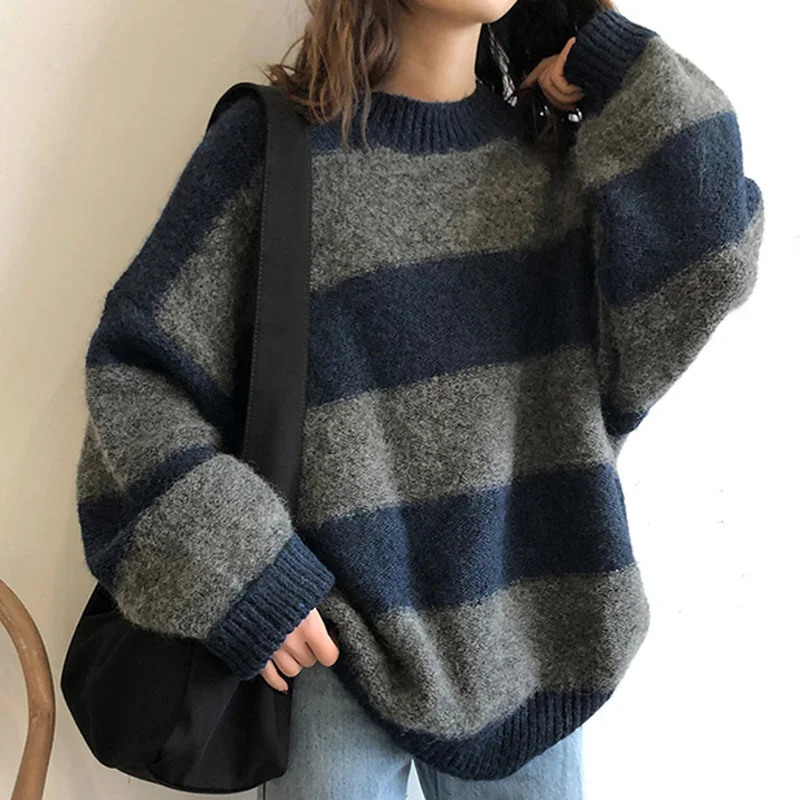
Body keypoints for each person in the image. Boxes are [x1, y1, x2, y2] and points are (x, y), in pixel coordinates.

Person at [74, 0, 764, 796]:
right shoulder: (276, 152)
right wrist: (242, 570)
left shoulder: (560, 160)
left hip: (536, 651)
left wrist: (602, 50)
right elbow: (138, 382)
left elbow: (712, 253)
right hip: (333, 654)